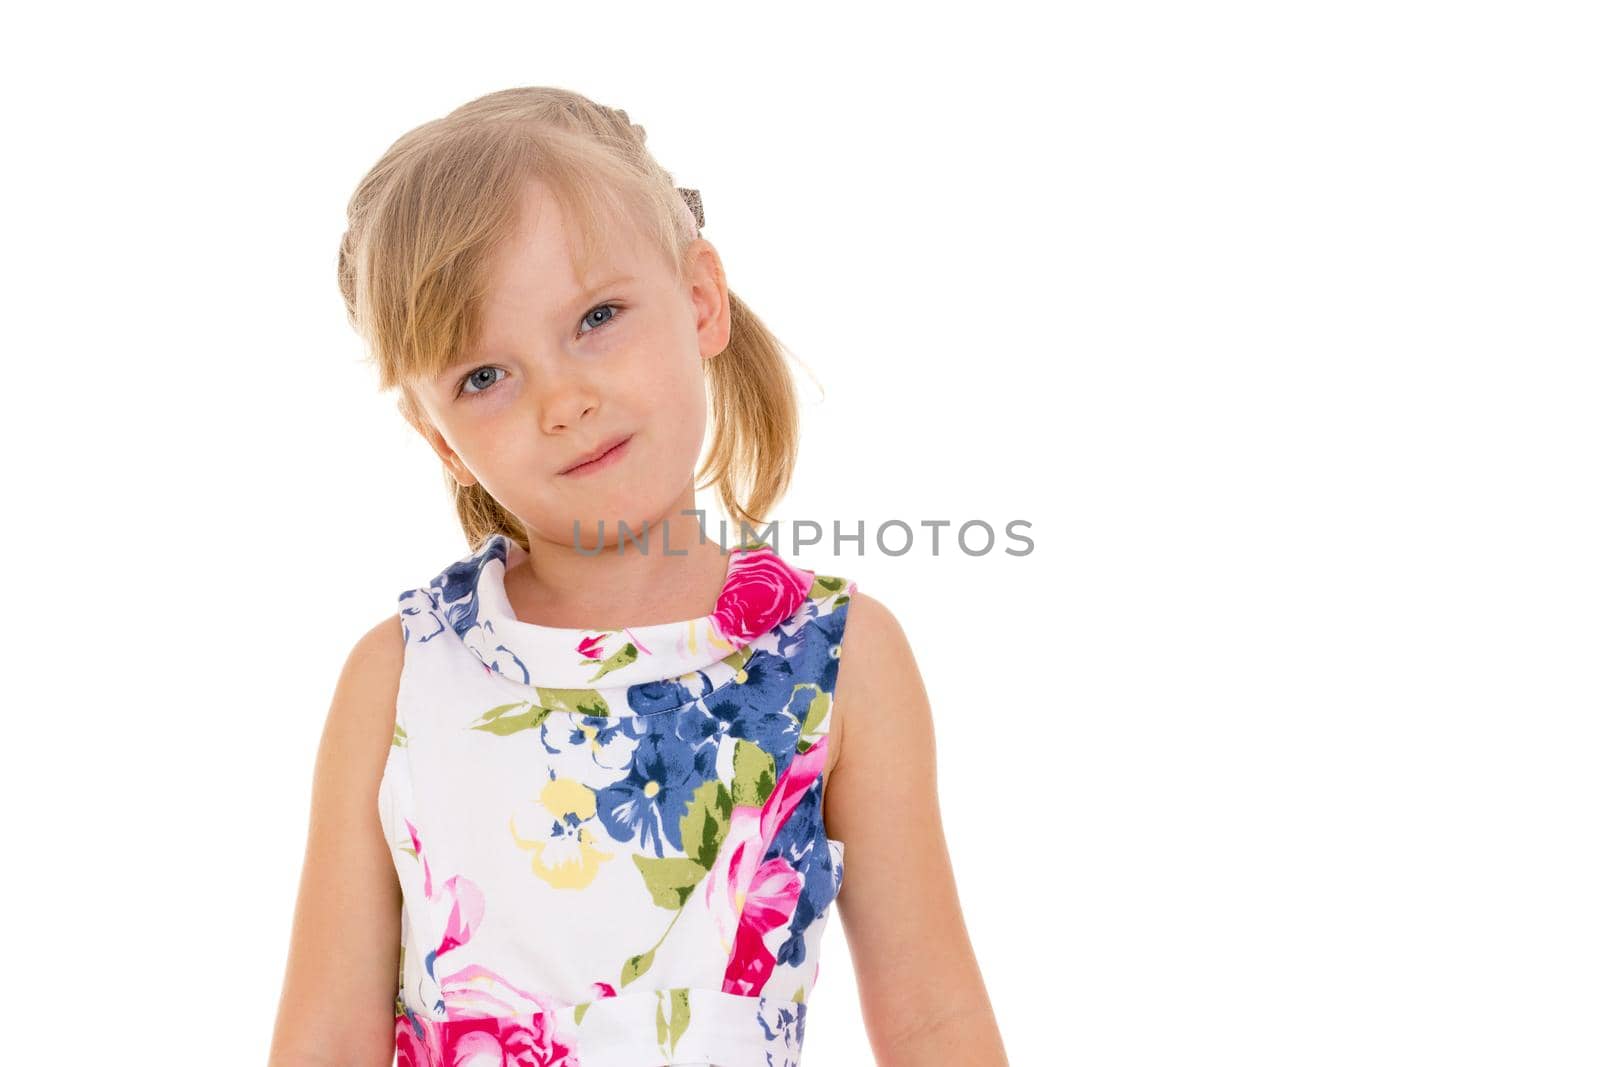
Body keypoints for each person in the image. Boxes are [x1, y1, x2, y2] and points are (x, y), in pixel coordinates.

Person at [269, 86, 1006, 1067]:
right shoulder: (400, 677)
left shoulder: (836, 658)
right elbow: (324, 1034)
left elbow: (932, 1020)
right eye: (484, 375)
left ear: (700, 299)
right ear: (436, 434)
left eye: (598, 316)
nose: (563, 399)